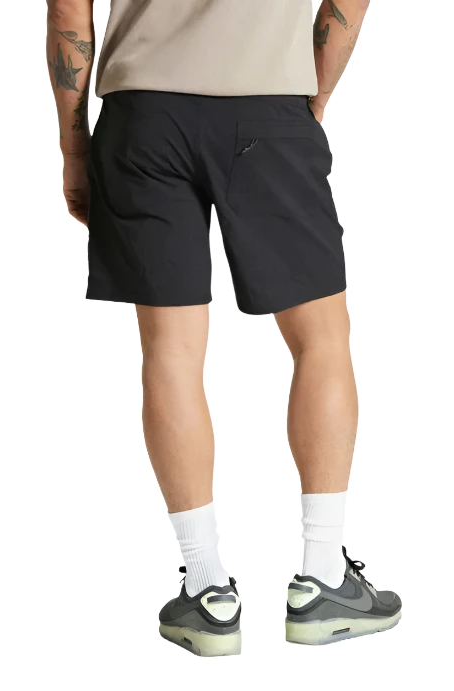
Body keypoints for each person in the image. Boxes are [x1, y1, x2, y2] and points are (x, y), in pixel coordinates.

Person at [47, 0, 402, 653]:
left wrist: (73, 147)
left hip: (142, 113)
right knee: (321, 337)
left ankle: (208, 591)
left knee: (170, 350)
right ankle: (322, 577)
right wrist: (313, 92)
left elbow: (69, 8)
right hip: (267, 101)